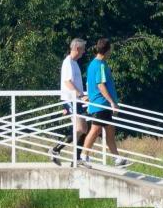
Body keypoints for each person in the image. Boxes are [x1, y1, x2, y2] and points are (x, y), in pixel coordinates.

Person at [82, 38, 129, 168]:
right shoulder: (100, 65)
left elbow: (89, 83)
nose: (111, 53)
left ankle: (116, 158)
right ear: (107, 50)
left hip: (101, 104)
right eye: (110, 50)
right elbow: (100, 84)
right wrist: (112, 102)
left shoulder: (93, 64)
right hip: (100, 104)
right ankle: (83, 156)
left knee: (109, 131)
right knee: (95, 130)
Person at [50, 38, 89, 165]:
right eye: (83, 50)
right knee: (79, 128)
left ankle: (76, 159)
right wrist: (80, 95)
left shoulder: (75, 63)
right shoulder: (67, 62)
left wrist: (81, 96)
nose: (84, 52)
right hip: (71, 99)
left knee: (84, 129)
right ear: (77, 48)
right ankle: (55, 150)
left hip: (76, 101)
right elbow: (67, 82)